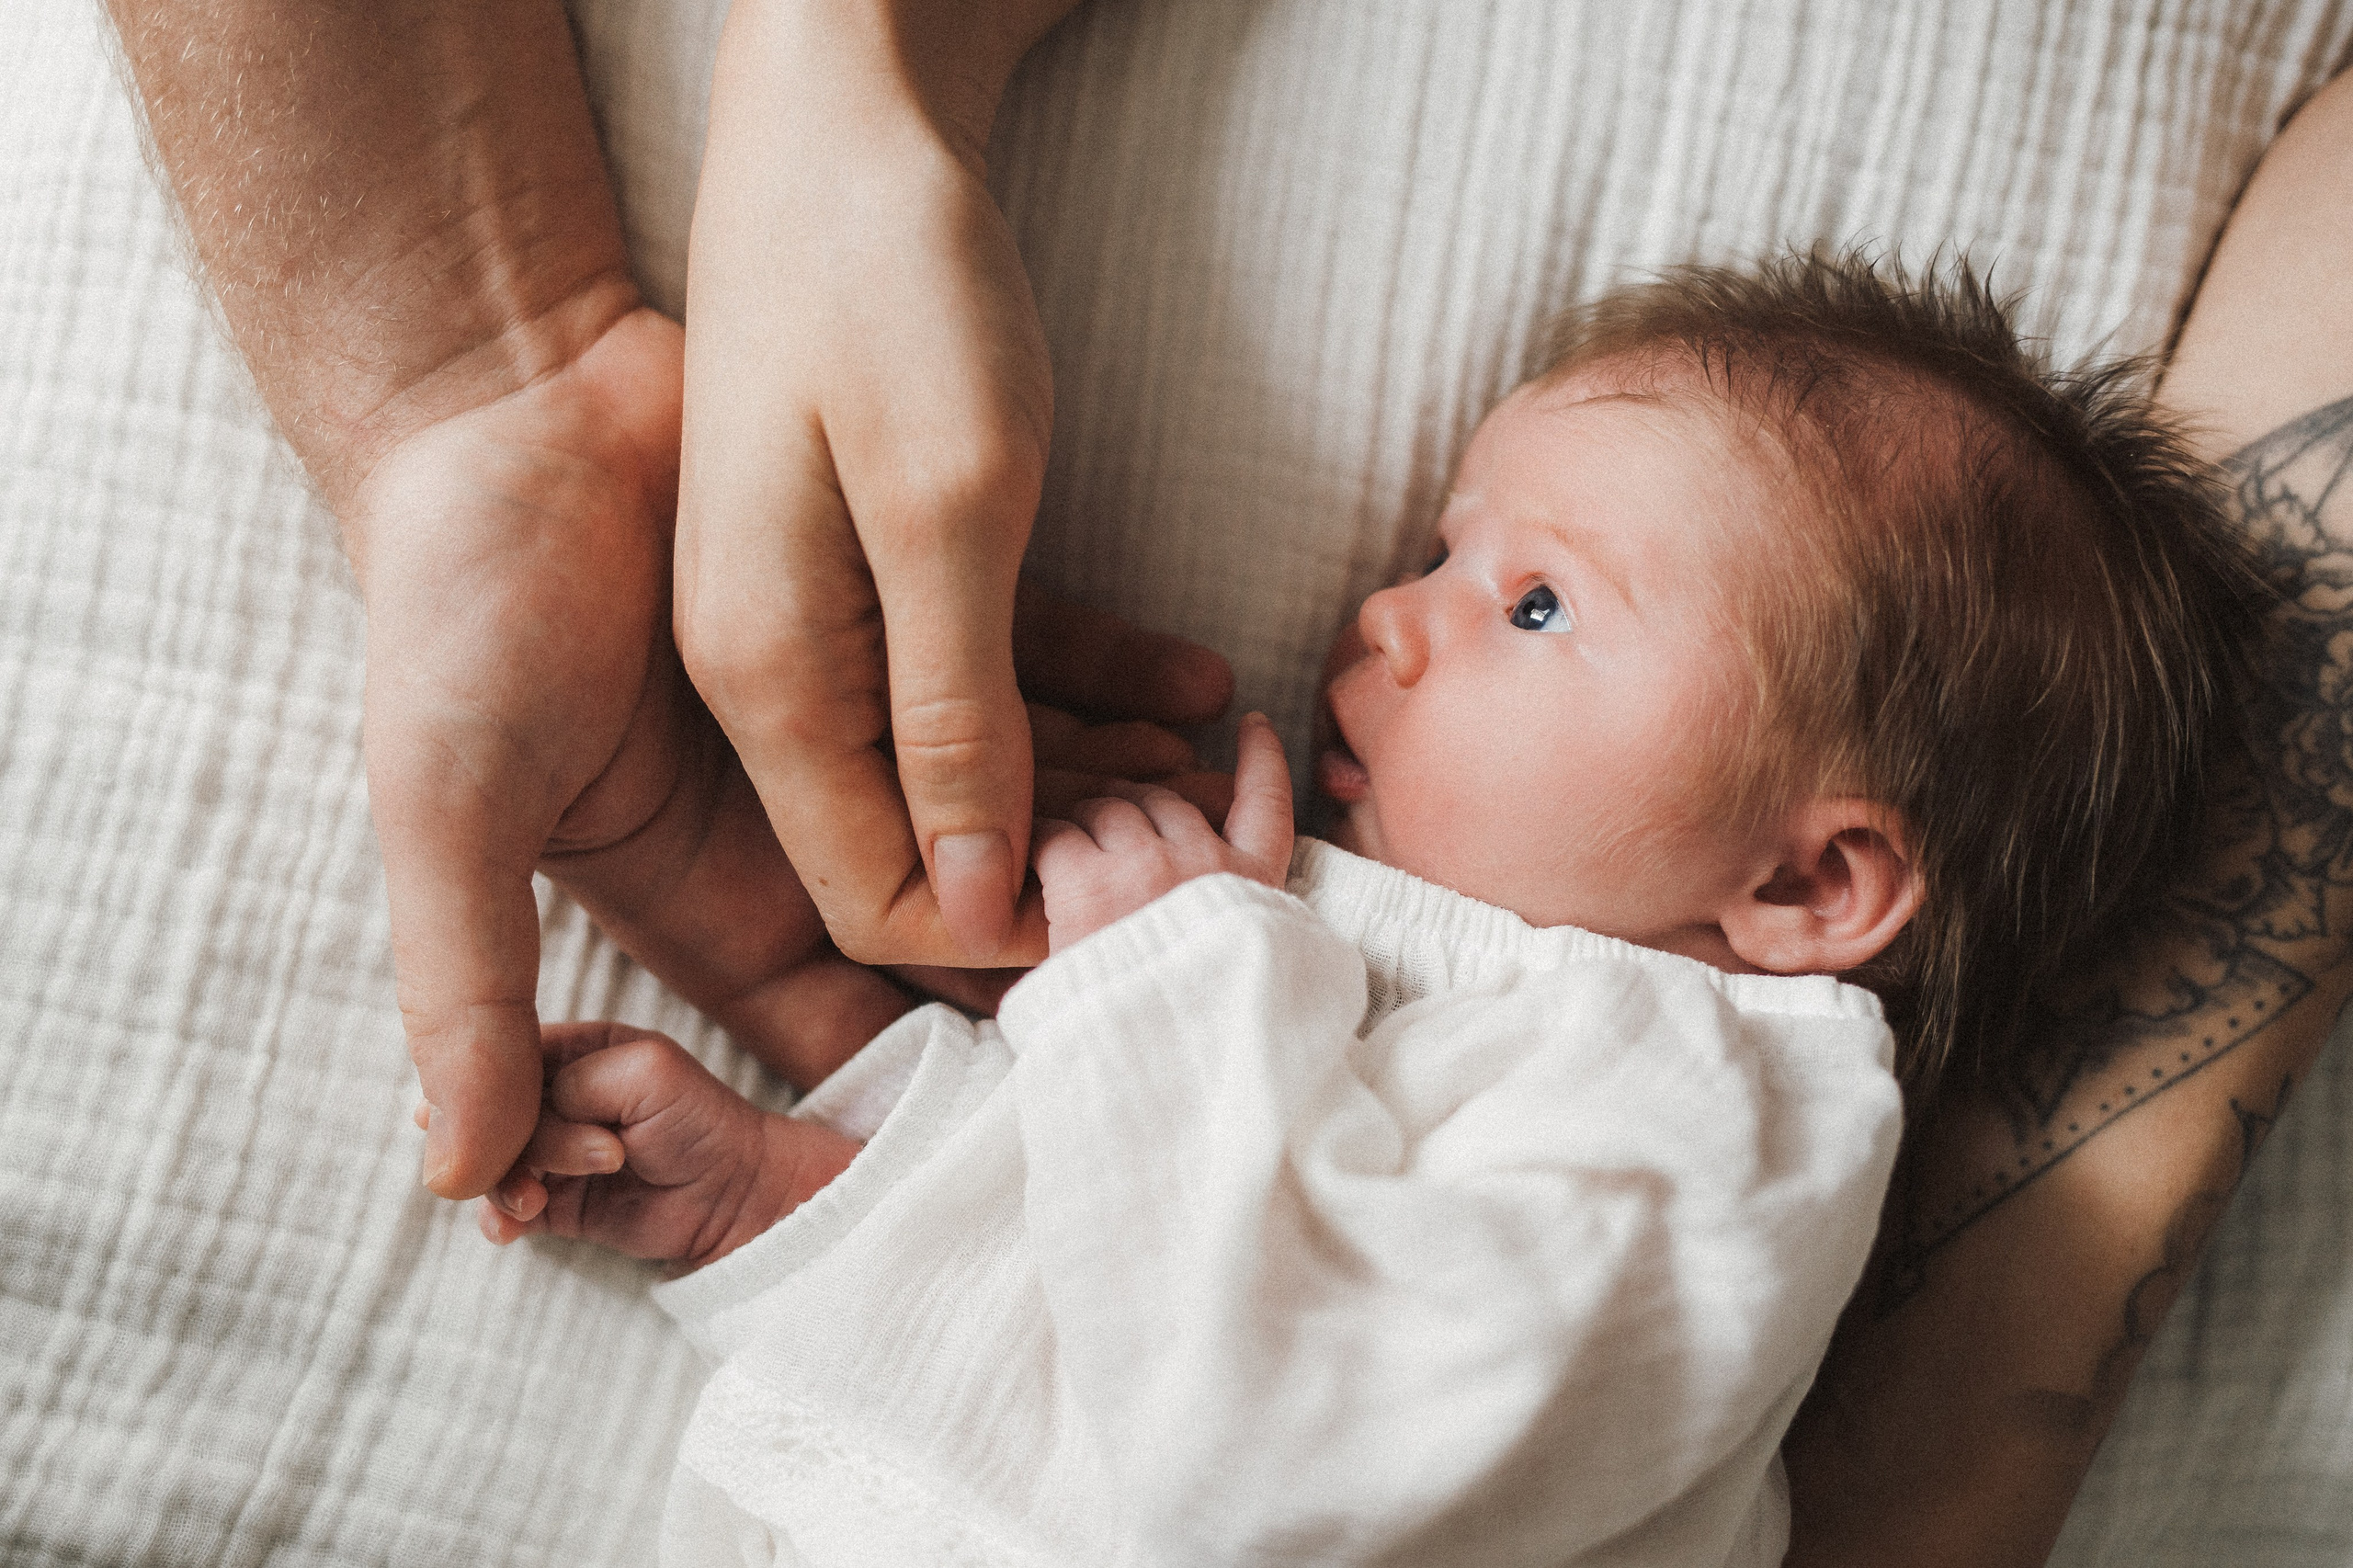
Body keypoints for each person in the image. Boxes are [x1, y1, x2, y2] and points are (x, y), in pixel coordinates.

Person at [471, 255, 2265, 1564]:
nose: (1391, 617)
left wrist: (1173, 979)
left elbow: (1270, 1449)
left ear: (1804, 882)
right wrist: (783, 1199)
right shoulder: (1334, 970)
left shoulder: (1702, 1124)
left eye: (1535, 603)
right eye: (1433, 552)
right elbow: (1081, 1329)